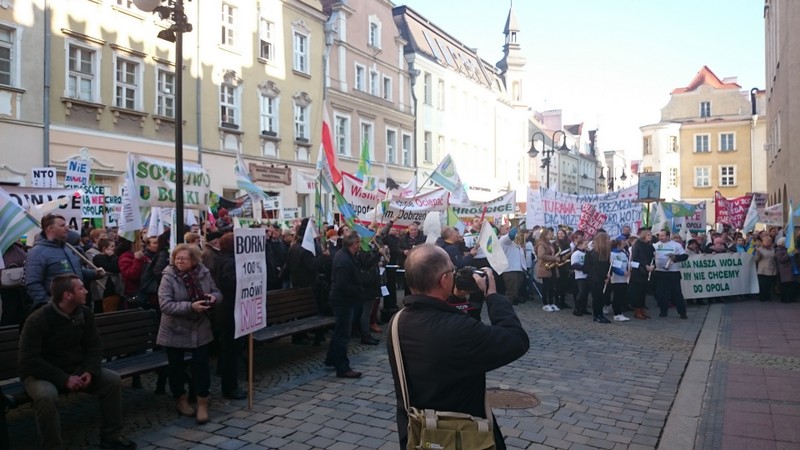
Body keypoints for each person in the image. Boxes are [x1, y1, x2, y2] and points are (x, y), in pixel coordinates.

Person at [386, 243, 529, 449]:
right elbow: (516, 340)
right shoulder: (458, 330)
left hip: (418, 434)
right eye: (452, 271)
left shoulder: (398, 321)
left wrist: (453, 298)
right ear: (444, 280)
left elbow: (446, 333)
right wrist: (493, 296)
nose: (455, 275)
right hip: (460, 436)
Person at [18, 274, 136, 449]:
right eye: (81, 288)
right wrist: (64, 379)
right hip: (41, 374)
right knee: (46, 396)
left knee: (112, 380)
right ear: (68, 295)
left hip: (76, 369)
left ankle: (112, 436)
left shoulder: (84, 313)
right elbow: (29, 361)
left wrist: (89, 371)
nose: (86, 291)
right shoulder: (38, 319)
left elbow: (94, 345)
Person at [157, 244, 222, 424]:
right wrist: (190, 306)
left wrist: (214, 298)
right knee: (176, 368)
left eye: (184, 258)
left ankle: (202, 402)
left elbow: (216, 292)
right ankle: (181, 399)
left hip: (200, 327)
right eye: (177, 258)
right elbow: (165, 305)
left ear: (193, 260)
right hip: (175, 329)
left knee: (201, 366)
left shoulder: (204, 273)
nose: (179, 261)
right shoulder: (168, 276)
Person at [25, 214, 105, 310]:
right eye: (62, 226)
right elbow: (33, 283)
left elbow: (77, 270)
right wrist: (48, 304)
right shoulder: (37, 252)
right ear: (50, 228)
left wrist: (94, 273)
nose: (67, 228)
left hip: (75, 307)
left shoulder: (67, 248)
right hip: (56, 310)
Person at [210, 233, 247, 400]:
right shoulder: (230, 261)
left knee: (230, 348)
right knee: (231, 349)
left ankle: (229, 383)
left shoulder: (224, 259)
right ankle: (230, 387)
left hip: (228, 310)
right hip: (230, 310)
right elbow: (229, 283)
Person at [324, 231, 365, 378]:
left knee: (340, 331)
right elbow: (342, 284)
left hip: (345, 299)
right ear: (354, 244)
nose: (360, 246)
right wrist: (358, 291)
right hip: (343, 301)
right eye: (359, 243)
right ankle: (342, 367)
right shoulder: (343, 259)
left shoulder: (346, 255)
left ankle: (331, 359)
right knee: (343, 334)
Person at [653, 230, 689, 318]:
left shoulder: (676, 245)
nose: (660, 238)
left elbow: (684, 256)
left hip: (673, 272)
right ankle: (663, 311)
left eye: (662, 236)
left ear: (668, 236)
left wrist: (675, 257)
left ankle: (682, 312)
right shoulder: (655, 245)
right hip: (660, 272)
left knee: (677, 293)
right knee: (661, 293)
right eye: (659, 236)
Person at [583, 232, 612, 323]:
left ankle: (600, 314)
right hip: (595, 279)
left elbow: (606, 266)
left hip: (601, 278)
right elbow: (594, 268)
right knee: (597, 298)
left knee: (601, 298)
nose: (609, 241)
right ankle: (597, 316)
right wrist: (604, 276)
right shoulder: (594, 253)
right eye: (607, 239)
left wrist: (608, 274)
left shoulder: (604, 253)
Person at [629, 229, 655, 319]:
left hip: (646, 271)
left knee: (643, 291)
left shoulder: (650, 246)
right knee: (638, 292)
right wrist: (645, 265)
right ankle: (637, 310)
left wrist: (652, 265)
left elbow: (653, 257)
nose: (650, 237)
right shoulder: (637, 244)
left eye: (650, 235)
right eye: (648, 235)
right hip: (638, 271)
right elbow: (635, 257)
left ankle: (643, 308)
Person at [535, 228, 559, 311]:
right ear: (545, 235)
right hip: (545, 267)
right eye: (549, 234)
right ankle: (545, 304)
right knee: (546, 286)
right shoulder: (541, 244)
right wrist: (554, 258)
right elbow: (541, 256)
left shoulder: (550, 244)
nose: (551, 236)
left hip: (551, 267)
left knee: (551, 287)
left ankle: (551, 303)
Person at [609, 237, 631, 322]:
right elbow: (613, 267)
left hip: (625, 279)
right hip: (616, 279)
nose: (625, 243)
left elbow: (627, 264)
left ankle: (620, 313)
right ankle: (616, 314)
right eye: (623, 242)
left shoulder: (624, 253)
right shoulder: (612, 254)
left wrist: (629, 270)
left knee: (622, 296)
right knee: (617, 297)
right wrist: (622, 273)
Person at [754, 235, 778, 302]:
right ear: (763, 242)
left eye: (769, 241)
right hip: (763, 270)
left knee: (769, 284)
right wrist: (758, 254)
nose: (767, 243)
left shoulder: (773, 250)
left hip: (771, 269)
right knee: (763, 284)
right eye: (766, 241)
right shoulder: (759, 249)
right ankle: (762, 296)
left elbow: (775, 258)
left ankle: (768, 296)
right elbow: (756, 259)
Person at [570, 239, 590, 316]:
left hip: (587, 276)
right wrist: (585, 268)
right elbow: (574, 265)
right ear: (579, 245)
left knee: (586, 293)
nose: (586, 245)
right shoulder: (576, 254)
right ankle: (577, 308)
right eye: (585, 244)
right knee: (582, 292)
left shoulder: (587, 253)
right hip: (580, 275)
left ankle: (583, 308)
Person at [775, 237, 798, 303]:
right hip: (784, 269)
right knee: (785, 285)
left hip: (791, 268)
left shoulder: (788, 249)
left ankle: (791, 298)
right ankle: (784, 298)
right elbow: (781, 259)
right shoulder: (778, 250)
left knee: (791, 284)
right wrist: (788, 254)